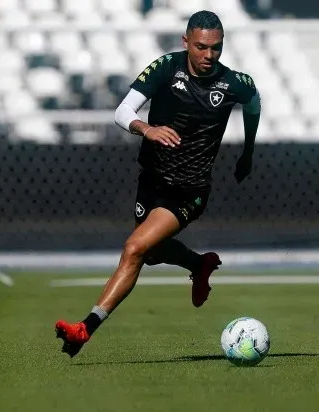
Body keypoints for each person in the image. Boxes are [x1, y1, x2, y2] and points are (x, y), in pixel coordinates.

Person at [55, 10, 261, 358]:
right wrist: (147, 129)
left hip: (189, 190)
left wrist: (248, 152)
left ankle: (84, 330)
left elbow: (253, 103)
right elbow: (123, 112)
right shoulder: (166, 67)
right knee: (148, 255)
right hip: (151, 179)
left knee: (134, 248)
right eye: (201, 47)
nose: (209, 56)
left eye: (216, 48)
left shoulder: (234, 83)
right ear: (186, 42)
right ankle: (199, 264)